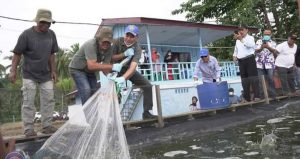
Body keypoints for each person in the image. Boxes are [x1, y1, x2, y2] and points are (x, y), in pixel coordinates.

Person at [9, 9, 58, 137]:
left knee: (49, 99)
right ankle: (28, 129)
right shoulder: (26, 35)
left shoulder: (51, 35)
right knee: (28, 100)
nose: (46, 25)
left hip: (46, 74)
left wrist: (53, 70)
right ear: (37, 21)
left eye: (49, 23)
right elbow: (17, 54)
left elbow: (52, 55)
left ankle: (47, 126)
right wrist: (13, 71)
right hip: (29, 73)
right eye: (43, 22)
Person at [68, 27, 126, 105]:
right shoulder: (90, 45)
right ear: (99, 39)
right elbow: (91, 66)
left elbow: (105, 66)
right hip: (77, 69)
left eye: (108, 42)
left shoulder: (109, 49)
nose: (106, 44)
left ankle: (95, 115)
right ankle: (89, 115)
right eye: (104, 42)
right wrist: (112, 67)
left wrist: (110, 76)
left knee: (95, 92)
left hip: (90, 71)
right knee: (86, 90)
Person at [111, 25, 156, 119]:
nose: (128, 38)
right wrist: (123, 54)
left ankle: (146, 112)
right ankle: (115, 117)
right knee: (114, 94)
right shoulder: (116, 41)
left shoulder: (137, 49)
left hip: (128, 70)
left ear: (136, 37)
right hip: (114, 69)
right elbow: (111, 58)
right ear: (124, 34)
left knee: (147, 86)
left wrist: (123, 78)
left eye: (132, 36)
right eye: (127, 35)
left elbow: (133, 66)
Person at [233, 25, 260, 102]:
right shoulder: (237, 40)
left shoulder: (250, 38)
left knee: (253, 79)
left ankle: (257, 96)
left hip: (249, 59)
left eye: (242, 29)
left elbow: (250, 46)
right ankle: (246, 98)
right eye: (239, 30)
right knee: (244, 80)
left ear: (247, 30)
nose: (240, 31)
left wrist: (241, 39)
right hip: (241, 61)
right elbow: (236, 50)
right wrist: (234, 56)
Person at [255, 29, 277, 99]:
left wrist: (268, 47)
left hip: (270, 64)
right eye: (265, 34)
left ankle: (273, 95)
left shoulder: (273, 42)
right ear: (263, 34)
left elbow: (274, 51)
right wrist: (261, 47)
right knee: (260, 80)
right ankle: (262, 96)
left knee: (270, 79)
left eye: (268, 34)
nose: (266, 35)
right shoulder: (258, 41)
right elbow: (256, 51)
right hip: (259, 64)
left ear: (270, 35)